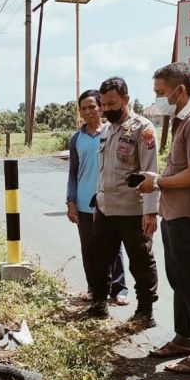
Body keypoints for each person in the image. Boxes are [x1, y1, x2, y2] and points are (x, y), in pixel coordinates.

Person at [137, 62, 190, 375]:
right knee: (179, 281)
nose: (158, 98)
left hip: (189, 215)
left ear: (179, 90)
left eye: (160, 93)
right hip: (174, 213)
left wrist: (157, 181)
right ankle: (184, 339)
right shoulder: (181, 119)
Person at [85, 76, 159, 333]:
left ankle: (145, 311)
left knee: (140, 261)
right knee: (99, 258)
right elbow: (105, 170)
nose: (107, 109)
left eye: (112, 103)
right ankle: (98, 304)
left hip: (133, 209)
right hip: (106, 207)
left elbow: (151, 171)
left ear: (126, 100)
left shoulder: (143, 128)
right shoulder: (107, 129)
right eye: (103, 104)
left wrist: (150, 211)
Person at [66, 89, 129, 306]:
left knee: (114, 247)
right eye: (84, 108)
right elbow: (73, 173)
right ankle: (94, 288)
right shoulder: (76, 139)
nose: (89, 111)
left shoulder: (112, 133)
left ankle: (119, 289)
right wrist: (70, 201)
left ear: (101, 107)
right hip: (84, 202)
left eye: (92, 106)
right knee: (89, 248)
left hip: (109, 201)